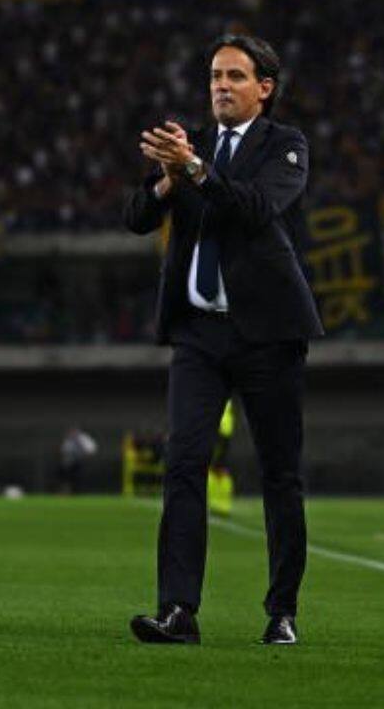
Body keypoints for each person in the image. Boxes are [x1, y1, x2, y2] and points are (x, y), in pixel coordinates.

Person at [124, 34, 323, 646]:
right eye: (214, 75)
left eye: (235, 76)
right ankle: (179, 611)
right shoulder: (194, 145)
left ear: (264, 88)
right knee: (183, 464)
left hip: (268, 334)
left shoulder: (286, 147)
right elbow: (136, 217)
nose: (220, 86)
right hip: (199, 333)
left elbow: (255, 208)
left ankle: (282, 611)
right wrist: (165, 179)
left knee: (278, 473)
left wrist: (193, 170)